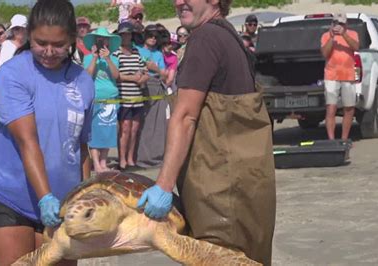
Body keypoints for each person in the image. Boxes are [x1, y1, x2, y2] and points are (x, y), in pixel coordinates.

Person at [136, 0, 276, 265]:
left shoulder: (205, 40)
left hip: (219, 195)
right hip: (250, 190)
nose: (179, 2)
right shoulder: (230, 37)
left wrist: (163, 186)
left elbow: (186, 116)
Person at [0, 0, 94, 264]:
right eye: (40, 43)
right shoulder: (13, 74)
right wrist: (45, 197)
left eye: (58, 45)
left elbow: (80, 146)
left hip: (61, 202)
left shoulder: (83, 80)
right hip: (5, 195)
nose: (48, 51)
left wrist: (83, 196)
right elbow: (28, 142)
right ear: (28, 35)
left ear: (72, 38)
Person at [83, 27, 121, 173]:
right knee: (95, 130)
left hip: (111, 98)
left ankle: (104, 162)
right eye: (99, 39)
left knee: (109, 130)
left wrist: (107, 58)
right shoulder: (87, 58)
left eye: (104, 39)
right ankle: (96, 163)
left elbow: (116, 76)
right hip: (95, 98)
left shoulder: (114, 59)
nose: (102, 41)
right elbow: (87, 75)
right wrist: (94, 57)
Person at [113, 22, 148, 170]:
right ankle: (122, 161)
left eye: (128, 34)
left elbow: (144, 70)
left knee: (134, 128)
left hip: (137, 96)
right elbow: (115, 75)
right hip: (124, 95)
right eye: (123, 34)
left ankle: (130, 159)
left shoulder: (135, 52)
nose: (126, 36)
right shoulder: (116, 53)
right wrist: (133, 78)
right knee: (125, 128)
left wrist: (142, 78)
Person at [321, 13, 359, 141]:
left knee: (349, 107)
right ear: (332, 24)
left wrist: (344, 34)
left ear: (346, 24)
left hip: (348, 75)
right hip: (331, 75)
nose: (339, 26)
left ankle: (344, 138)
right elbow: (325, 54)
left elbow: (356, 47)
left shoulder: (352, 34)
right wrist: (331, 38)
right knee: (331, 107)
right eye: (336, 23)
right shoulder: (326, 35)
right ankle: (331, 139)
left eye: (341, 23)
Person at [135, 24, 168, 168]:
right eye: (150, 36)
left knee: (156, 124)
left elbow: (164, 74)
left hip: (156, 87)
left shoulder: (159, 54)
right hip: (139, 87)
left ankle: (154, 156)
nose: (153, 39)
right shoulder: (137, 50)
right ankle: (139, 157)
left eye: (156, 37)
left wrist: (156, 68)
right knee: (140, 123)